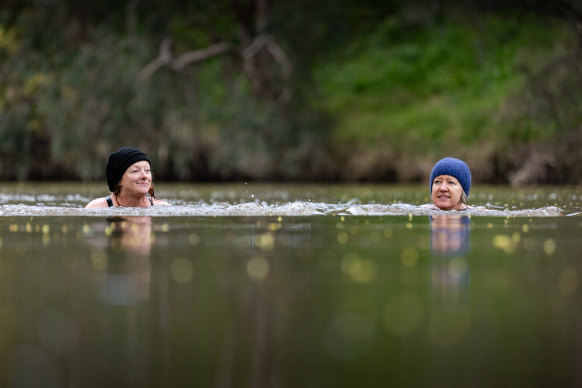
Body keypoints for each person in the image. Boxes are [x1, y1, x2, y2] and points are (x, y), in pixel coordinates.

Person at [86, 147, 170, 208]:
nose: (144, 176)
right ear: (118, 181)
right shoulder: (96, 207)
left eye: (147, 170)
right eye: (135, 171)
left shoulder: (163, 207)